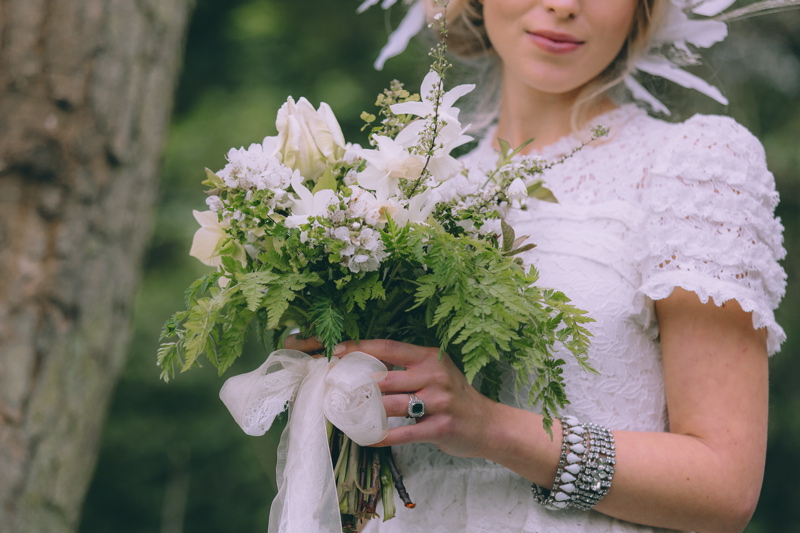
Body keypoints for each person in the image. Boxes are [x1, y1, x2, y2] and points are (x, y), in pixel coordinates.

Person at [287, 0, 787, 531]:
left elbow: (725, 487)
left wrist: (492, 429)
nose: (563, 6)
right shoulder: (404, 194)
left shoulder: (693, 166)